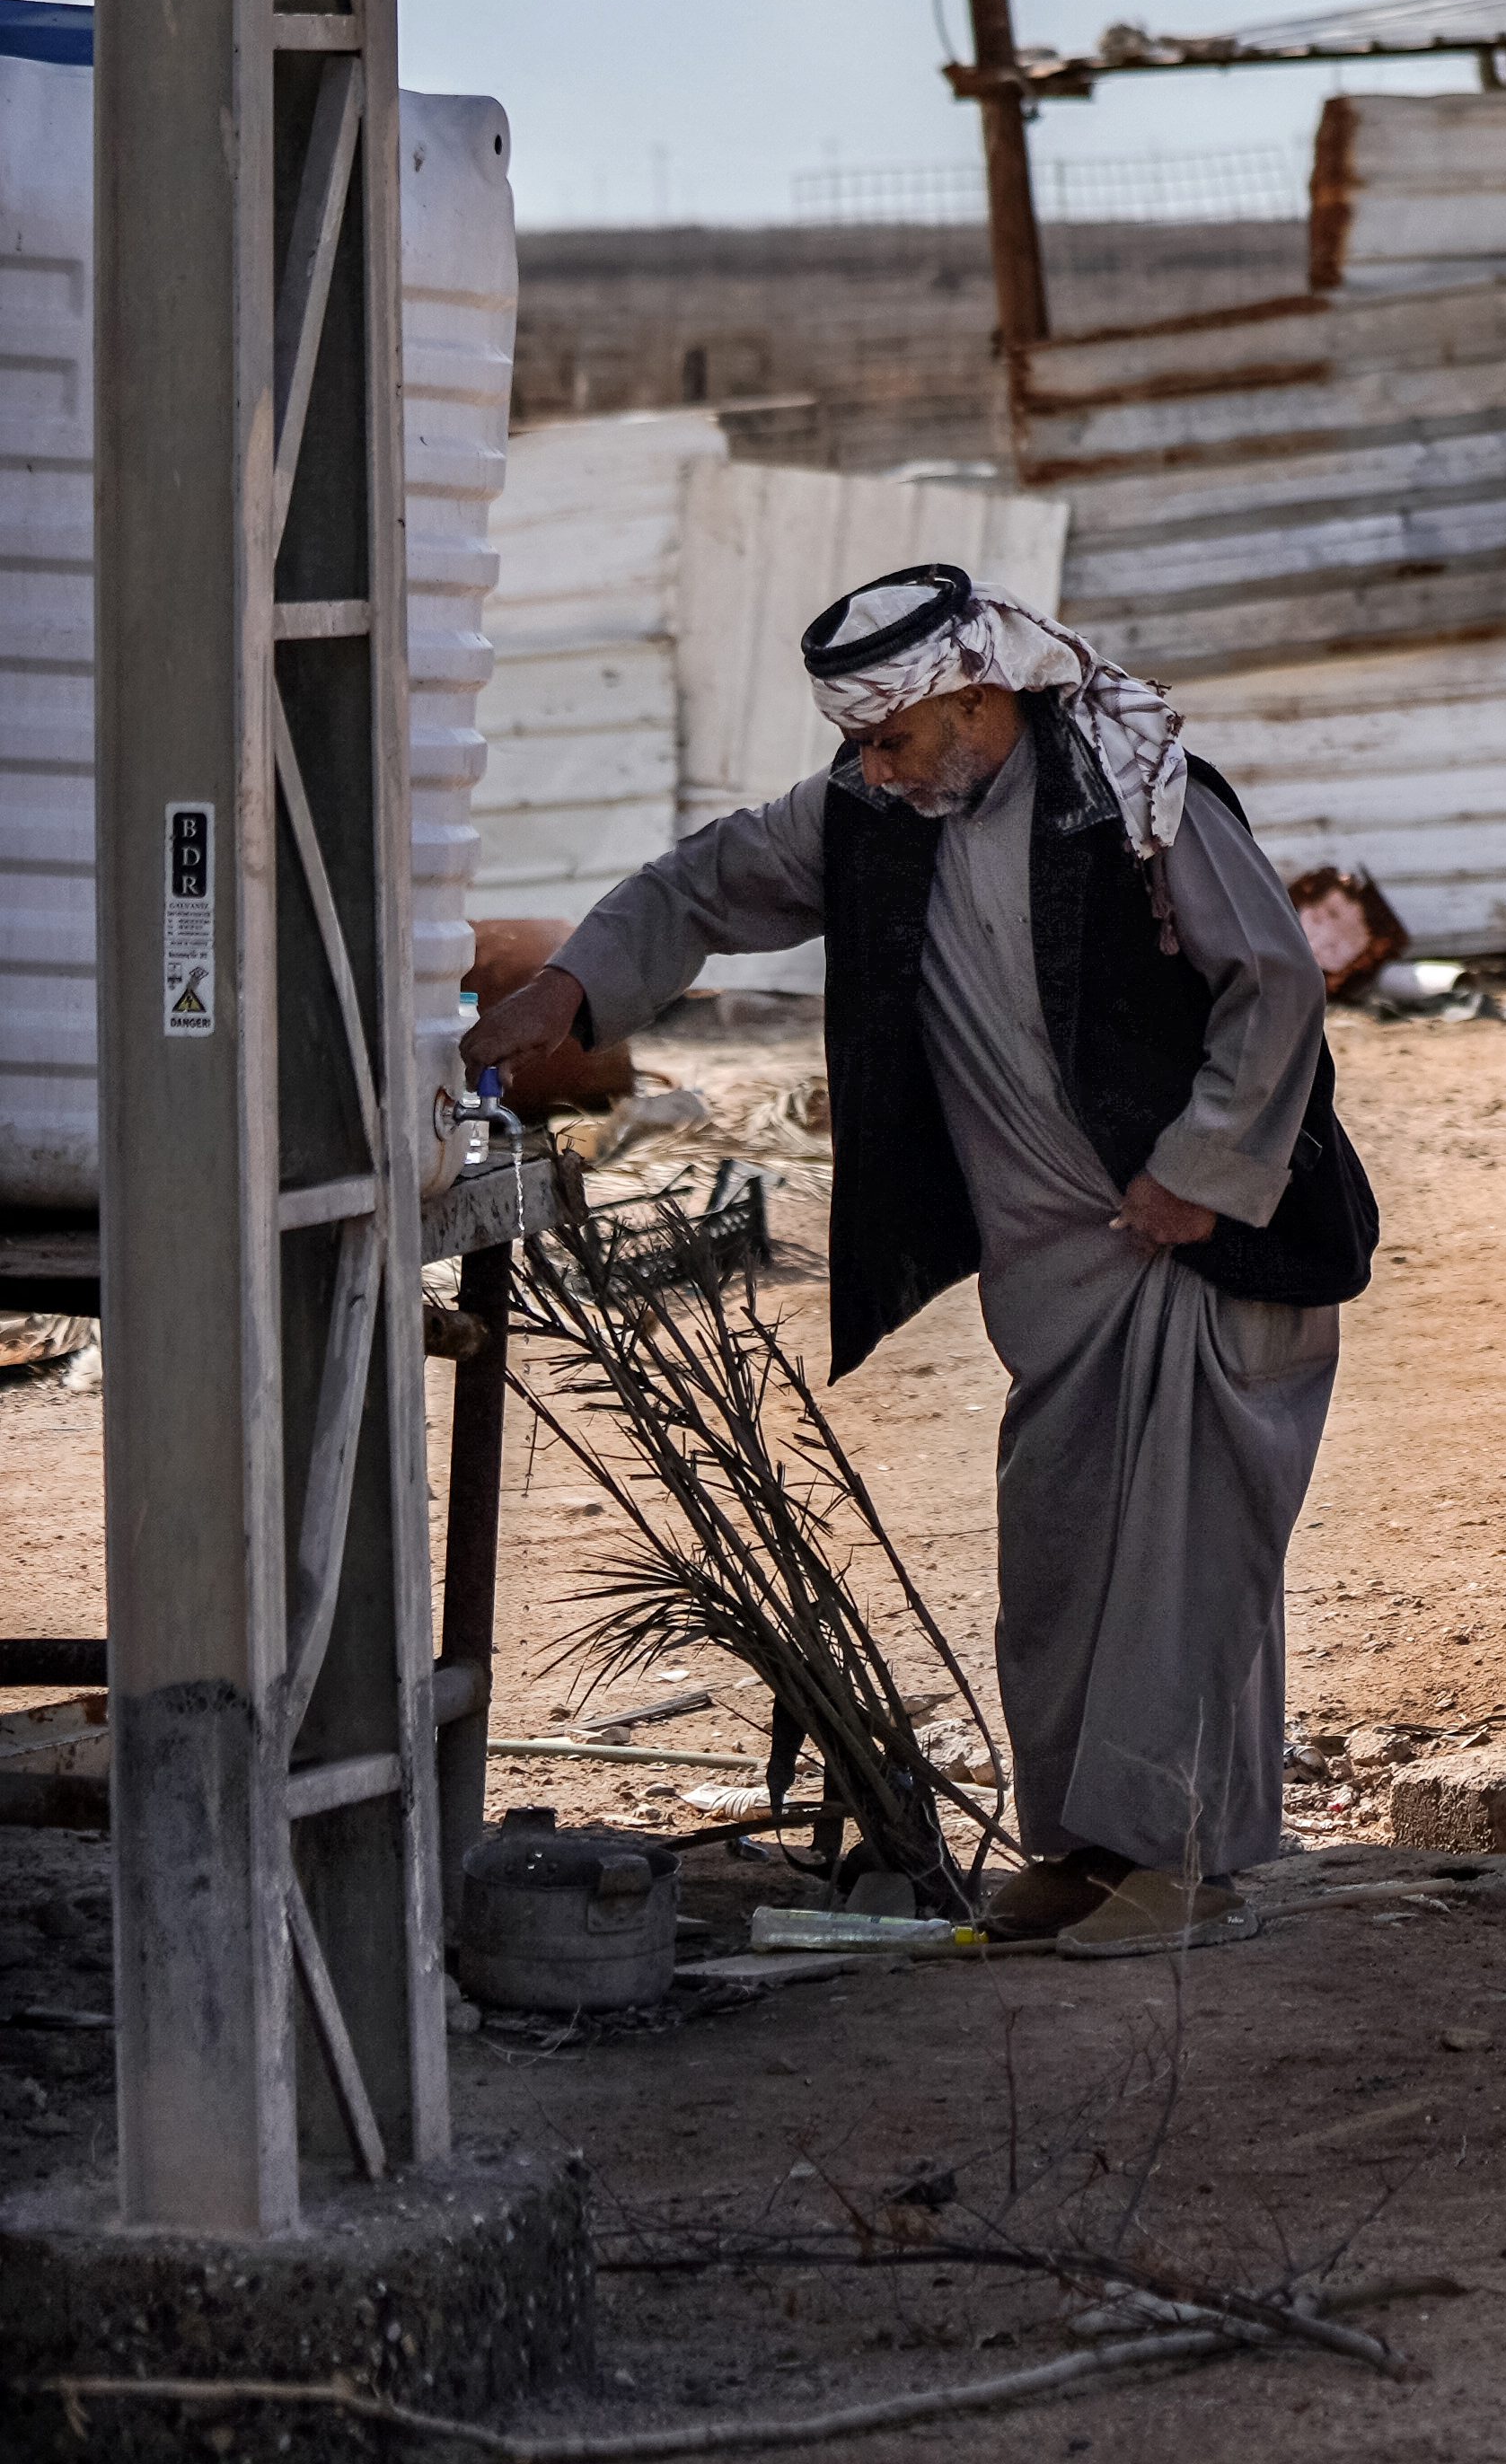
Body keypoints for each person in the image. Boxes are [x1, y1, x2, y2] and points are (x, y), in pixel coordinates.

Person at [462, 566, 1375, 1955]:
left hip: (1211, 1249)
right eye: (860, 745)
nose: (872, 769)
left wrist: (1200, 1172)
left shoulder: (1133, 796)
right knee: (1064, 1566)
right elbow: (704, 881)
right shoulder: (873, 810)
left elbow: (1275, 984)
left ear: (978, 698)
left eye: (892, 738)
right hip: (1057, 1282)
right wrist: (567, 989)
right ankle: (1089, 1848)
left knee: (1185, 1571)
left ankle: (1186, 1866)